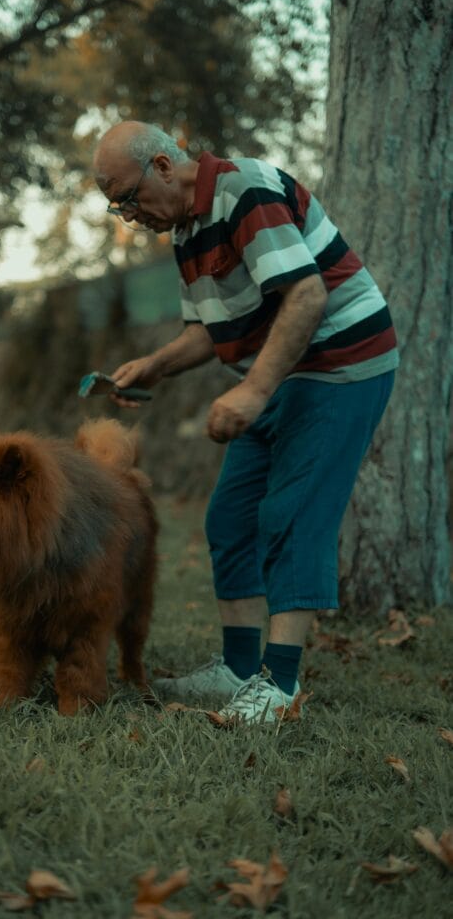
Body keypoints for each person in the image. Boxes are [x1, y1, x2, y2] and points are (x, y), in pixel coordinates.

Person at [92, 120, 398, 724]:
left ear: (160, 166)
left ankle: (279, 685)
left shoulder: (244, 190)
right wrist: (152, 367)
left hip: (343, 361)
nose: (130, 217)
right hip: (282, 374)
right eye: (117, 209)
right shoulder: (184, 231)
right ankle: (237, 667)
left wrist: (255, 390)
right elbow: (209, 329)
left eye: (128, 199)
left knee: (294, 513)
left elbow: (306, 297)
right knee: (229, 517)